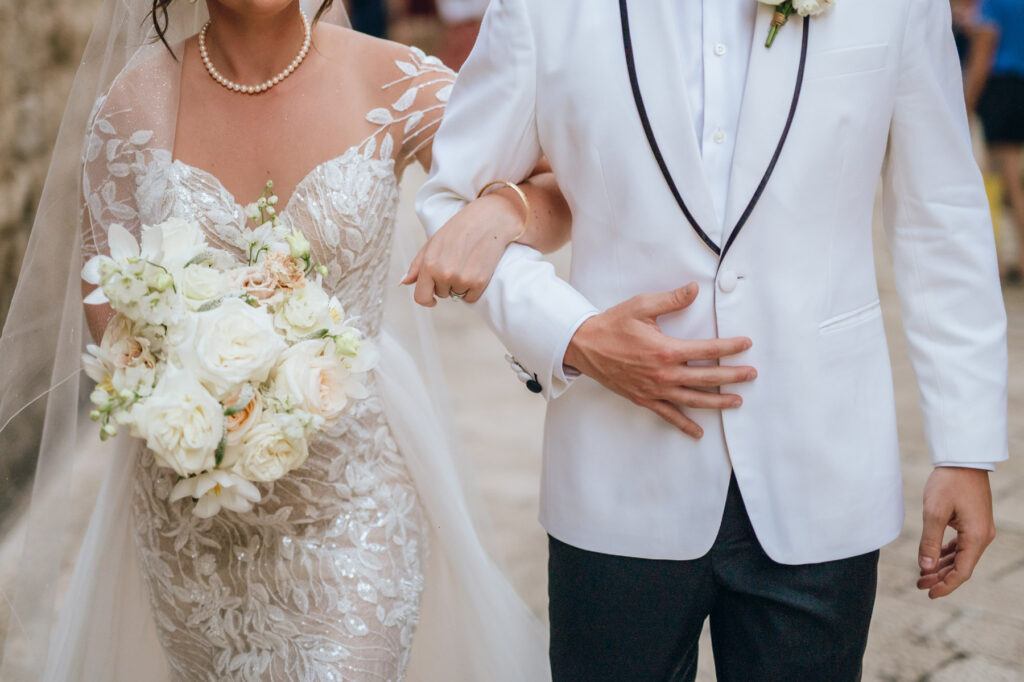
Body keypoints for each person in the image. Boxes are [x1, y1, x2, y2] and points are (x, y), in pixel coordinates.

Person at [412, 0, 1008, 679]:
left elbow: (941, 216)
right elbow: (451, 201)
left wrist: (965, 445)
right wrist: (571, 334)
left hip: (822, 463)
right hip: (617, 472)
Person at [0, 0, 569, 679]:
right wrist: (179, 388)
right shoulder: (134, 102)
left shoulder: (391, 81)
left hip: (352, 501)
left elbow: (557, 182)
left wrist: (501, 212)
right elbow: (103, 279)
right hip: (191, 519)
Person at [964, 0, 1024, 282]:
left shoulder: (992, 3)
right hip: (1019, 87)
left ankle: (1000, 262)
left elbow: (983, 53)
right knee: (1012, 179)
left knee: (1005, 182)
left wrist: (966, 102)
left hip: (1000, 90)